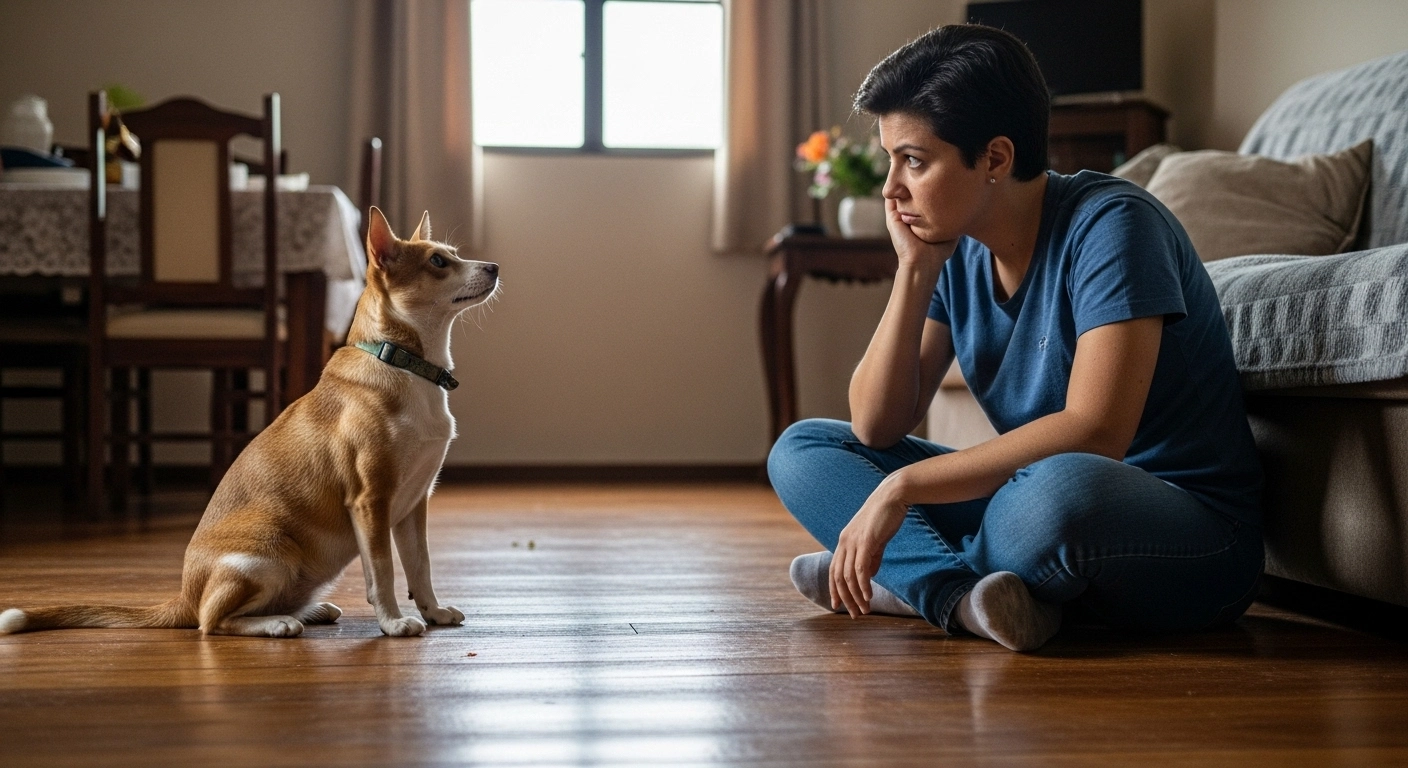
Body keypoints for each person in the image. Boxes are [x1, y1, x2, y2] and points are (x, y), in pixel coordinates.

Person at [767, 24, 1263, 652]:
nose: (890, 188)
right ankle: (959, 596)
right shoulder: (957, 249)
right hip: (1033, 506)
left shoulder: (1113, 225)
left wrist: (901, 487)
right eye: (891, 159)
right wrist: (915, 271)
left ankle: (911, 580)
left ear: (995, 159)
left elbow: (1096, 431)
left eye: (913, 160)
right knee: (803, 448)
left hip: (1186, 533)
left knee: (1057, 493)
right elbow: (876, 426)